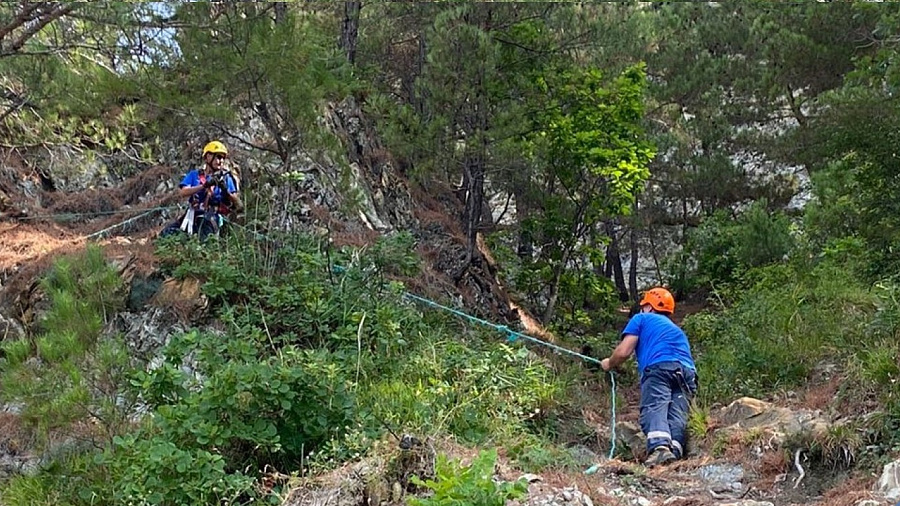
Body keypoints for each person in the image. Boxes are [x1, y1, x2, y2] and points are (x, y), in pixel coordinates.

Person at [600, 287, 697, 467]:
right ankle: (674, 452)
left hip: (659, 367)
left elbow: (624, 351)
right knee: (677, 413)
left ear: (650, 307)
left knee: (655, 406)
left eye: (644, 305)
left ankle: (660, 449)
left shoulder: (641, 319)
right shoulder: (676, 329)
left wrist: (608, 363)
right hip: (687, 372)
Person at [160, 140, 242, 240]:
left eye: (223, 158)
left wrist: (225, 190)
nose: (221, 161)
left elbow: (237, 204)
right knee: (165, 234)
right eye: (218, 157)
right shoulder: (195, 175)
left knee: (203, 240)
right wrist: (204, 186)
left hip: (211, 218)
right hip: (192, 215)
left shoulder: (226, 178)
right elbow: (183, 192)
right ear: (208, 157)